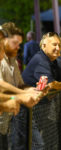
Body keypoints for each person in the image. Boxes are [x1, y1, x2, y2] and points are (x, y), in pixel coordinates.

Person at [0, 22, 42, 150]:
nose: (18, 47)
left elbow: (19, 85)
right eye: (15, 43)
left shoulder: (13, 59)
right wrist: (21, 96)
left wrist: (33, 90)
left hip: (5, 123)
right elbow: (1, 86)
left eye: (19, 44)